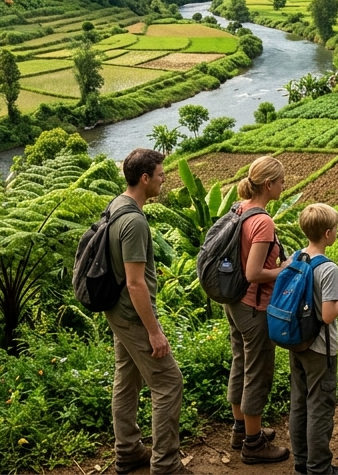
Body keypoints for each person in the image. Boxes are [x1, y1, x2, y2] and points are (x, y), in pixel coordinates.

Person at [107, 149, 190, 475]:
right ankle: (166, 464)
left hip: (117, 311)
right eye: (160, 173)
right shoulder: (135, 222)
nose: (164, 178)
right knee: (169, 382)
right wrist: (154, 331)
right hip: (132, 314)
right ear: (145, 178)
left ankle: (128, 451)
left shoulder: (117, 204)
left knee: (127, 379)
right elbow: (136, 283)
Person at [225, 156, 290, 464]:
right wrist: (286, 269)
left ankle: (241, 428)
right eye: (280, 182)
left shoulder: (239, 209)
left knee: (240, 363)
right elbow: (255, 273)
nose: (283, 186)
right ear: (268, 185)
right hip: (254, 306)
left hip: (235, 301)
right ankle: (253, 443)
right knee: (257, 372)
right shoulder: (263, 220)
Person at [289, 204, 338, 475]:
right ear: (328, 233)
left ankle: (302, 462)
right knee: (320, 407)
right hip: (320, 347)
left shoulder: (296, 257)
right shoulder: (328, 269)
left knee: (299, 402)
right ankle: (320, 468)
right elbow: (327, 315)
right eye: (336, 229)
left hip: (296, 341)